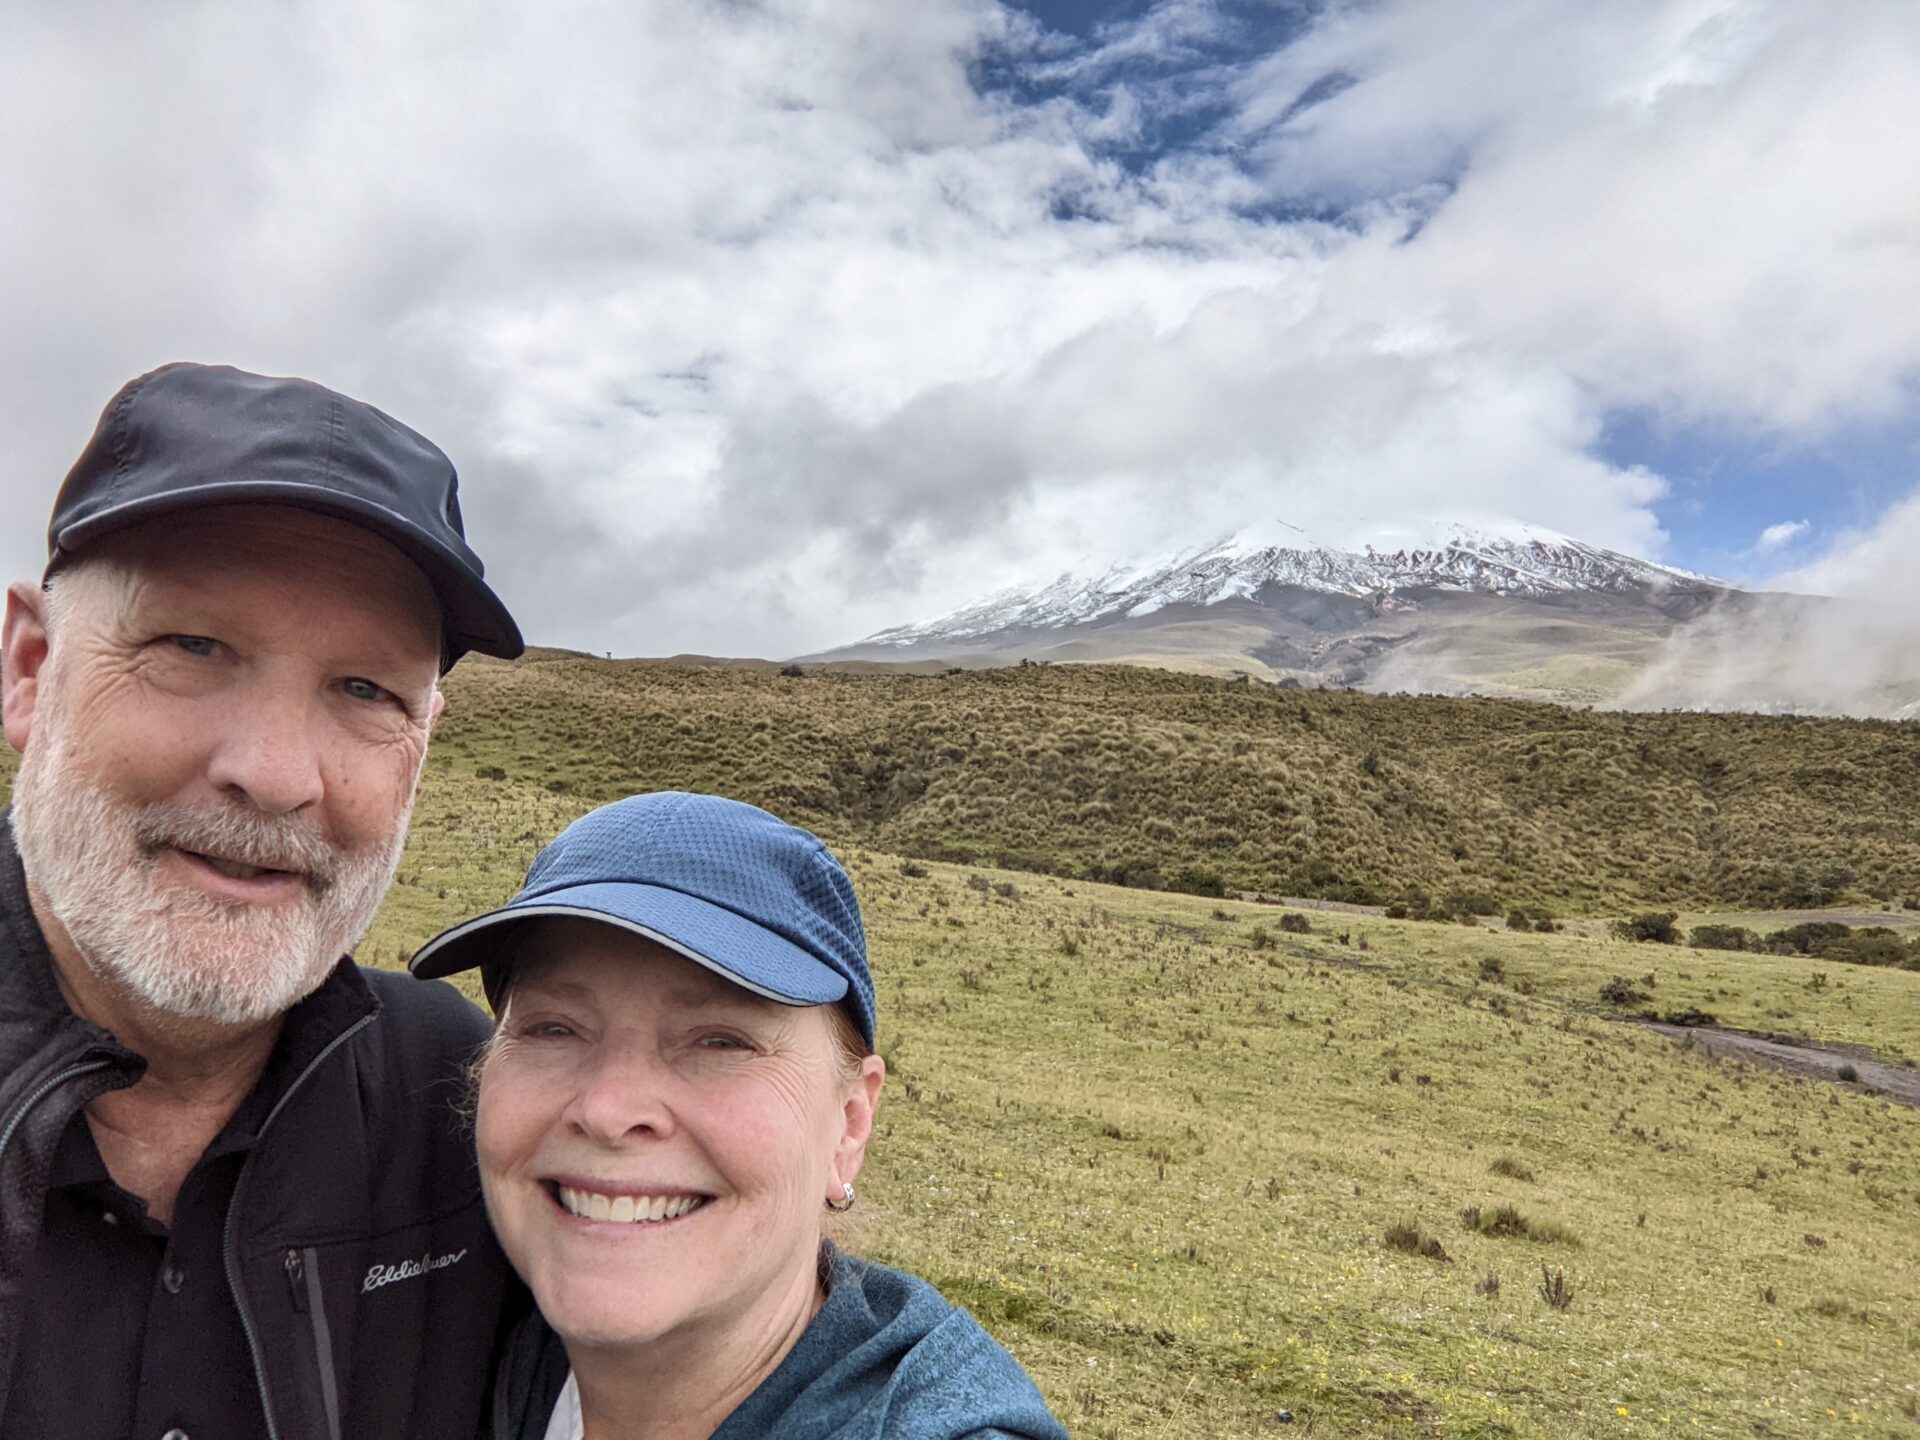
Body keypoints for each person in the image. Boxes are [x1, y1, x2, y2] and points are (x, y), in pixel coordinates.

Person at [0, 362, 527, 1439]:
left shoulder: (462, 1104)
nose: (279, 774)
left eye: (365, 691)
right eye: (194, 647)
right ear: (30, 667)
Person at [410, 791, 1070, 1440]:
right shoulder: (455, 1353)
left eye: (719, 1041)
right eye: (554, 1028)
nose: (609, 1110)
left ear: (849, 1124)